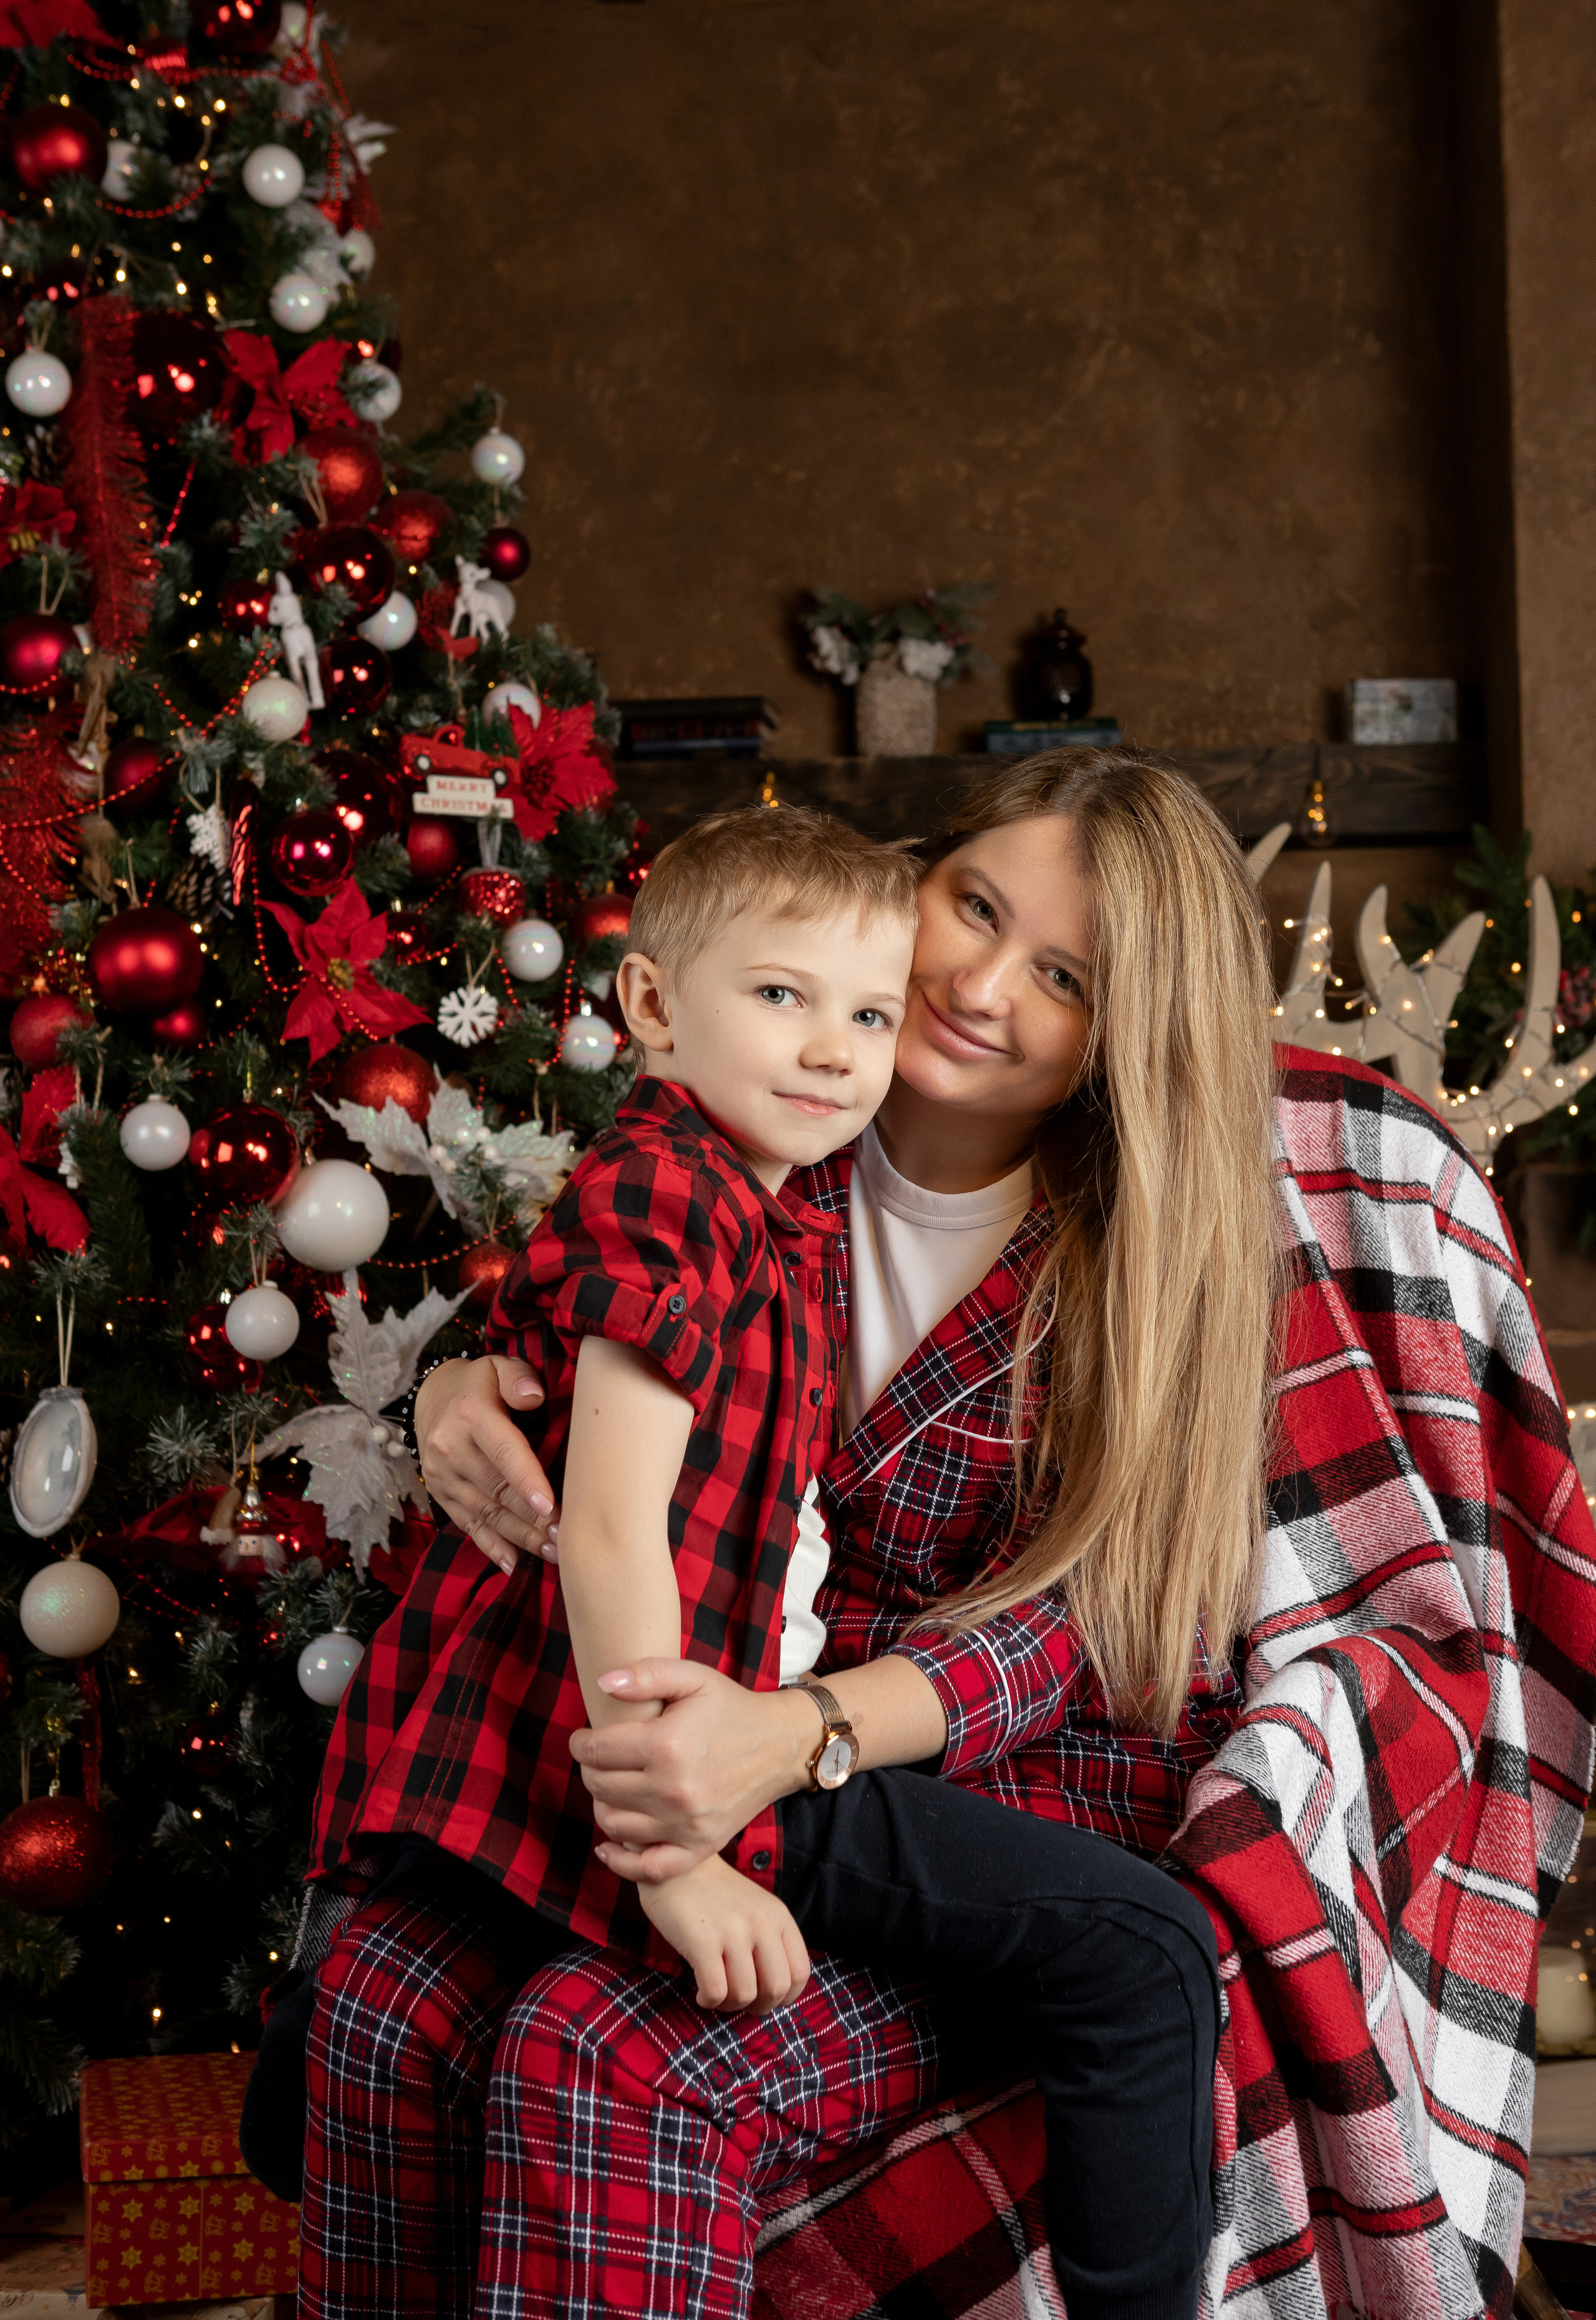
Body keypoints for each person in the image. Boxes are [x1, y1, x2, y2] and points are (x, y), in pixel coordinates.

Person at [296, 748, 1278, 2320]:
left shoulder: (1133, 1260)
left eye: (1064, 977)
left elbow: (1081, 1621)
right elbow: (610, 1337)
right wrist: (461, 1384)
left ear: (1126, 1033)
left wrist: (793, 1734)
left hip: (968, 1789)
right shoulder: (764, 1138)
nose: (974, 986)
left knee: (597, 2048)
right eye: (973, 907)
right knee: (382, 1992)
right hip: (700, 1736)